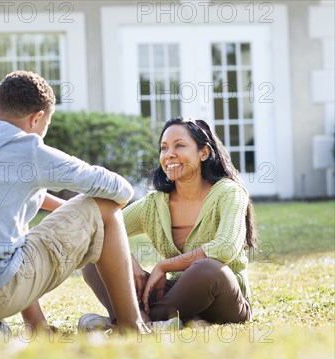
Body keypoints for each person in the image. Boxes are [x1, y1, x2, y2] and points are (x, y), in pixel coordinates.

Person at [0, 71, 148, 335]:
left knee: (17, 236)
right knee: (106, 209)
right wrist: (106, 224)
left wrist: (71, 213)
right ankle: (131, 327)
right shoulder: (28, 150)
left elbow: (24, 195)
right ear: (37, 118)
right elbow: (118, 189)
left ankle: (38, 327)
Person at [79, 117, 256, 329]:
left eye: (179, 145)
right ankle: (143, 322)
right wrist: (127, 260)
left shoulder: (229, 192)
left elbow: (225, 248)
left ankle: (129, 321)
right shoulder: (154, 204)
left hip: (221, 297)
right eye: (164, 148)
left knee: (208, 268)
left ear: (204, 153)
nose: (169, 154)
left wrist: (164, 266)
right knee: (93, 261)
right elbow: (101, 227)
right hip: (176, 295)